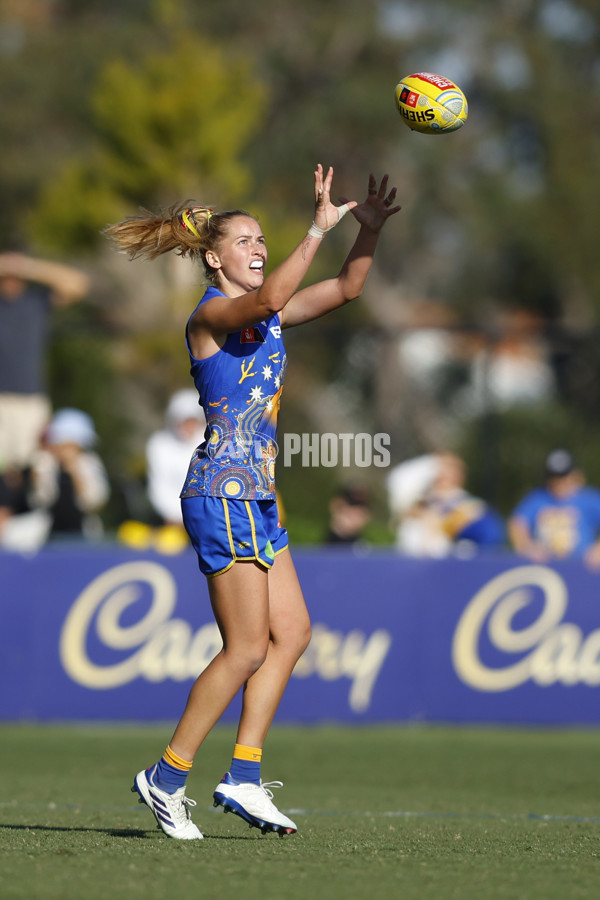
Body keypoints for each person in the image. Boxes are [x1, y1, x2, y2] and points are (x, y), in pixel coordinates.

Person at [104, 164, 401, 840]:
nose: (258, 247)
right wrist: (314, 231)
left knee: (291, 635)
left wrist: (368, 235)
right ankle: (167, 775)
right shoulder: (211, 314)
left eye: (262, 239)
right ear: (213, 256)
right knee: (243, 649)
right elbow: (265, 303)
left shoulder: (272, 309)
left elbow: (350, 288)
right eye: (245, 241)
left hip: (259, 497)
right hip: (219, 492)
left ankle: (242, 775)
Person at [0, 251, 90, 471]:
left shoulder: (35, 302)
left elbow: (78, 284)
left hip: (31, 399)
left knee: (33, 467)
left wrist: (27, 267)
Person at [387, 451, 505, 557]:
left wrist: (447, 524)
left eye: (451, 468)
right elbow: (397, 479)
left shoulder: (471, 507)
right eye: (440, 467)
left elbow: (492, 539)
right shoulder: (417, 501)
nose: (442, 472)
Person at [508, 449, 600, 567]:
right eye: (554, 477)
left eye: (563, 477)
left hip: (581, 567)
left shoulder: (589, 498)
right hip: (545, 567)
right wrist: (527, 546)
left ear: (575, 475)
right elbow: (517, 524)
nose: (558, 482)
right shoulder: (537, 498)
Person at [29, 407, 110, 541]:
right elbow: (40, 500)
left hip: (82, 534)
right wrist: (37, 476)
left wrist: (75, 472)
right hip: (48, 535)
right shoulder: (46, 463)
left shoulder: (90, 463)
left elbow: (94, 502)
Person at [146, 389, 207, 526]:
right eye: (183, 420)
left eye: (192, 420)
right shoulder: (159, 444)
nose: (188, 425)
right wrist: (177, 516)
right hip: (172, 522)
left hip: (207, 518)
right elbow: (158, 486)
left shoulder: (211, 442)